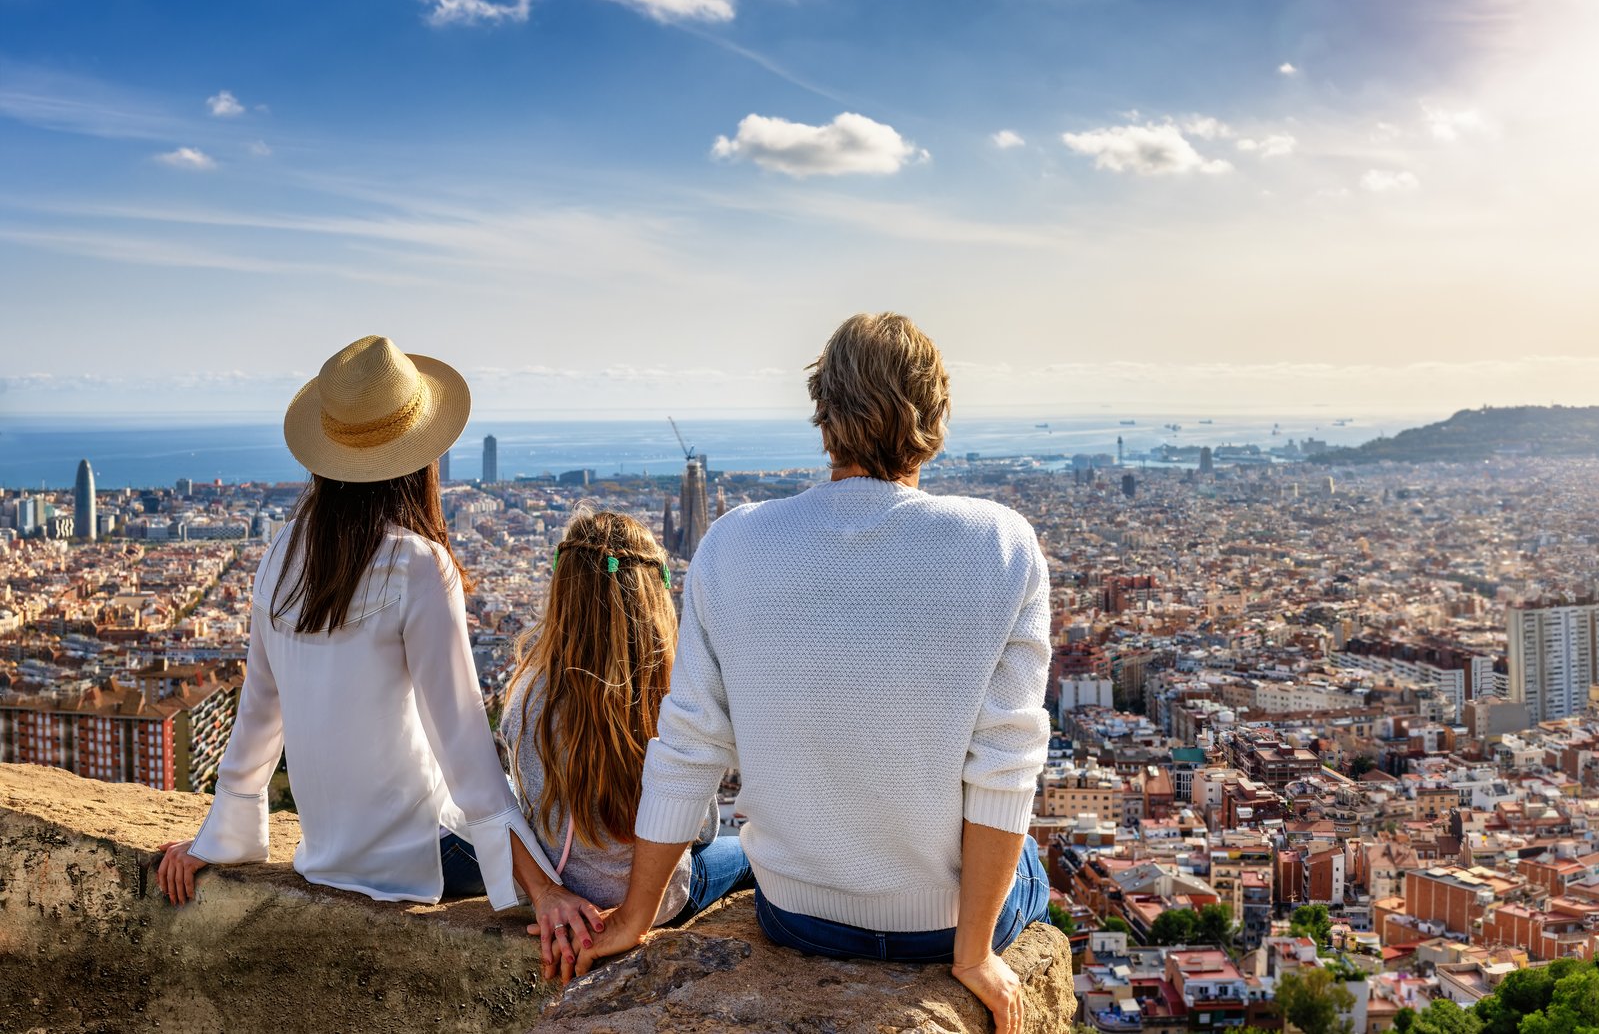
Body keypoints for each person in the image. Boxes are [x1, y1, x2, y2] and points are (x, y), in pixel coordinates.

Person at [572, 314, 1053, 1034]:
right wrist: (976, 951)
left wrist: (636, 915)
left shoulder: (733, 541)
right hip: (942, 925)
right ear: (935, 418)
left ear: (824, 414)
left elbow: (690, 743)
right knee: (1035, 856)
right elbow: (1005, 766)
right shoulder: (1001, 543)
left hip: (799, 914)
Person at [155, 335, 580, 927]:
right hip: (423, 857)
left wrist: (216, 838)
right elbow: (463, 743)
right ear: (420, 455)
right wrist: (543, 888)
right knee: (572, 845)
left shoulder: (280, 553)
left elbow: (258, 713)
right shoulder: (419, 565)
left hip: (327, 854)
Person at [499, 509, 754, 979]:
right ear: (653, 601)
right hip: (659, 902)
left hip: (564, 890)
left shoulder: (529, 697)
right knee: (752, 849)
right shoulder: (673, 698)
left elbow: (523, 807)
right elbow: (699, 832)